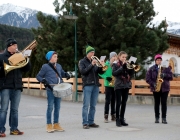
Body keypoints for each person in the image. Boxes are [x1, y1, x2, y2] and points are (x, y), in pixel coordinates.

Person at [0, 38, 31, 137]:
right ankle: (1, 130)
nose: (16, 47)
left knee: (15, 110)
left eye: (16, 46)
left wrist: (26, 58)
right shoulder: (1, 57)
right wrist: (5, 68)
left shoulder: (19, 56)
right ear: (9, 46)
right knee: (4, 109)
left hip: (17, 86)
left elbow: (27, 68)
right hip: (5, 86)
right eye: (14, 46)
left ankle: (14, 129)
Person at [36, 51, 70, 133]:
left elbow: (62, 73)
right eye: (55, 56)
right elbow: (38, 76)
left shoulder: (59, 66)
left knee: (57, 107)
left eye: (56, 56)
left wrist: (66, 74)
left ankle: (56, 124)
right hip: (50, 90)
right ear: (50, 57)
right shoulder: (45, 67)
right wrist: (43, 80)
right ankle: (48, 125)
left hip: (59, 89)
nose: (56, 58)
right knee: (50, 107)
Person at [78, 45, 105, 129]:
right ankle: (85, 123)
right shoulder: (82, 62)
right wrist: (91, 65)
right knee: (86, 105)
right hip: (87, 85)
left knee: (93, 105)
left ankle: (91, 121)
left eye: (93, 52)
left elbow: (99, 72)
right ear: (87, 53)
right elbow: (83, 72)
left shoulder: (95, 61)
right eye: (91, 52)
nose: (93, 53)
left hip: (95, 85)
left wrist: (101, 66)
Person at [146, 54, 173, 124]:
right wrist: (153, 84)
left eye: (160, 60)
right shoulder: (151, 68)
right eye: (157, 60)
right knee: (157, 103)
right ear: (155, 61)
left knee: (164, 103)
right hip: (156, 88)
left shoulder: (166, 68)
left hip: (165, 88)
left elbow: (171, 77)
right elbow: (148, 79)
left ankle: (164, 118)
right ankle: (157, 118)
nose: (159, 61)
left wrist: (165, 75)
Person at [112, 51, 134, 127]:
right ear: (119, 57)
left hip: (126, 85)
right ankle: (117, 119)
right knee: (118, 103)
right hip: (118, 85)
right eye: (123, 57)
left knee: (124, 103)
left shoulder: (127, 64)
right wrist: (122, 67)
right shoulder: (115, 64)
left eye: (125, 57)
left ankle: (122, 119)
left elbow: (131, 74)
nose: (124, 58)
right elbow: (114, 73)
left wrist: (131, 68)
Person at [99, 52, 117, 123]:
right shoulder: (106, 64)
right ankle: (106, 116)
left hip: (114, 84)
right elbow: (100, 73)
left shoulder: (115, 65)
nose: (115, 58)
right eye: (114, 57)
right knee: (107, 101)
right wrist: (106, 77)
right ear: (111, 57)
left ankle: (113, 115)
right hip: (108, 84)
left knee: (113, 101)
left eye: (116, 57)